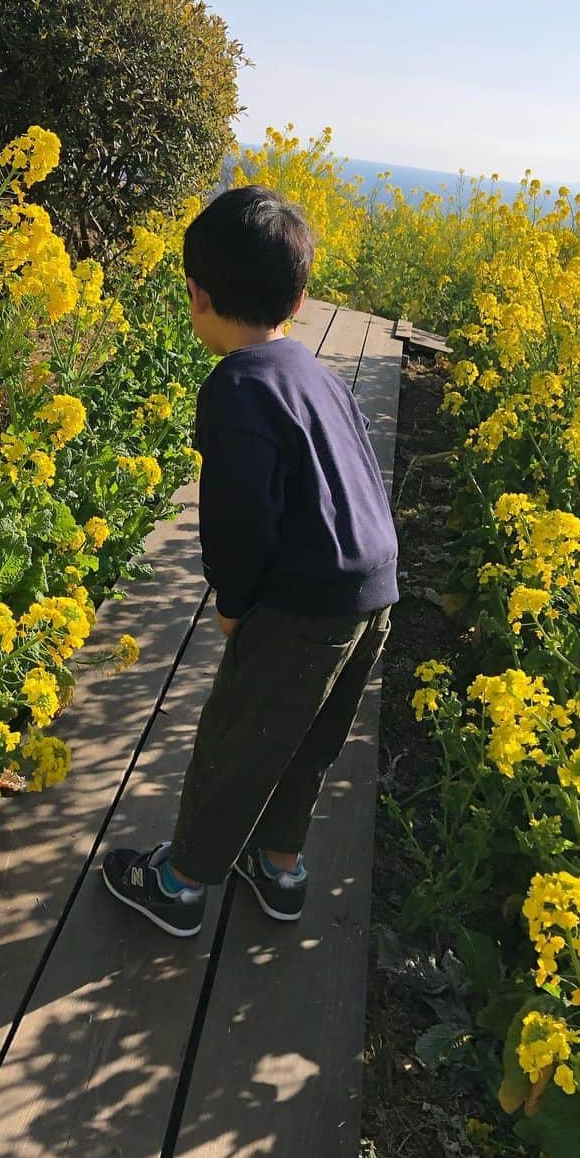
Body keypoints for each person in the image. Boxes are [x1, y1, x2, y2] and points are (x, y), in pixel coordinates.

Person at [101, 184, 398, 937]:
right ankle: (278, 867)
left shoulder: (234, 388)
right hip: (374, 589)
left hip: (303, 606)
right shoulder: (318, 374)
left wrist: (233, 606)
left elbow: (236, 521)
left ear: (197, 296)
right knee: (310, 740)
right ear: (300, 299)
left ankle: (180, 883)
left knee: (238, 742)